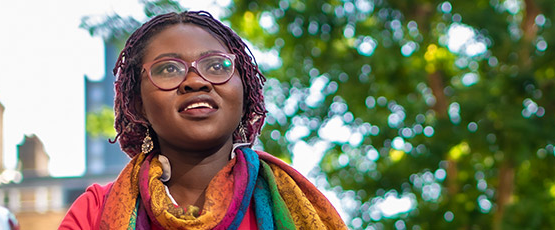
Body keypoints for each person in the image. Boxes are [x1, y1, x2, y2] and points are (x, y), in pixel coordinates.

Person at [59, 11, 345, 230]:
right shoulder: (95, 211)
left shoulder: (297, 204)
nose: (196, 81)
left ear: (244, 92)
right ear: (138, 105)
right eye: (169, 69)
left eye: (216, 65)